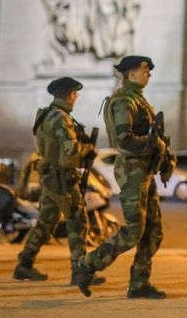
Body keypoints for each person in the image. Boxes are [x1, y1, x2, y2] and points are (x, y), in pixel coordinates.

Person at [74, 55, 177, 298]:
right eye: (144, 70)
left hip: (144, 170)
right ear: (131, 74)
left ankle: (139, 283)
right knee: (134, 229)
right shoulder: (124, 101)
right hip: (132, 170)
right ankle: (87, 265)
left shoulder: (138, 100)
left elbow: (151, 140)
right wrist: (155, 145)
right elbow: (124, 140)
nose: (148, 74)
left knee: (153, 232)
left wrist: (164, 157)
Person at [13, 77, 96, 283]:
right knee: (78, 221)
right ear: (69, 95)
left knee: (46, 222)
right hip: (61, 177)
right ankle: (79, 271)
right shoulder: (61, 118)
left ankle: (24, 264)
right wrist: (88, 148)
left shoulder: (45, 114)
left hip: (49, 176)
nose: (76, 98)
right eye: (75, 94)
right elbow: (71, 149)